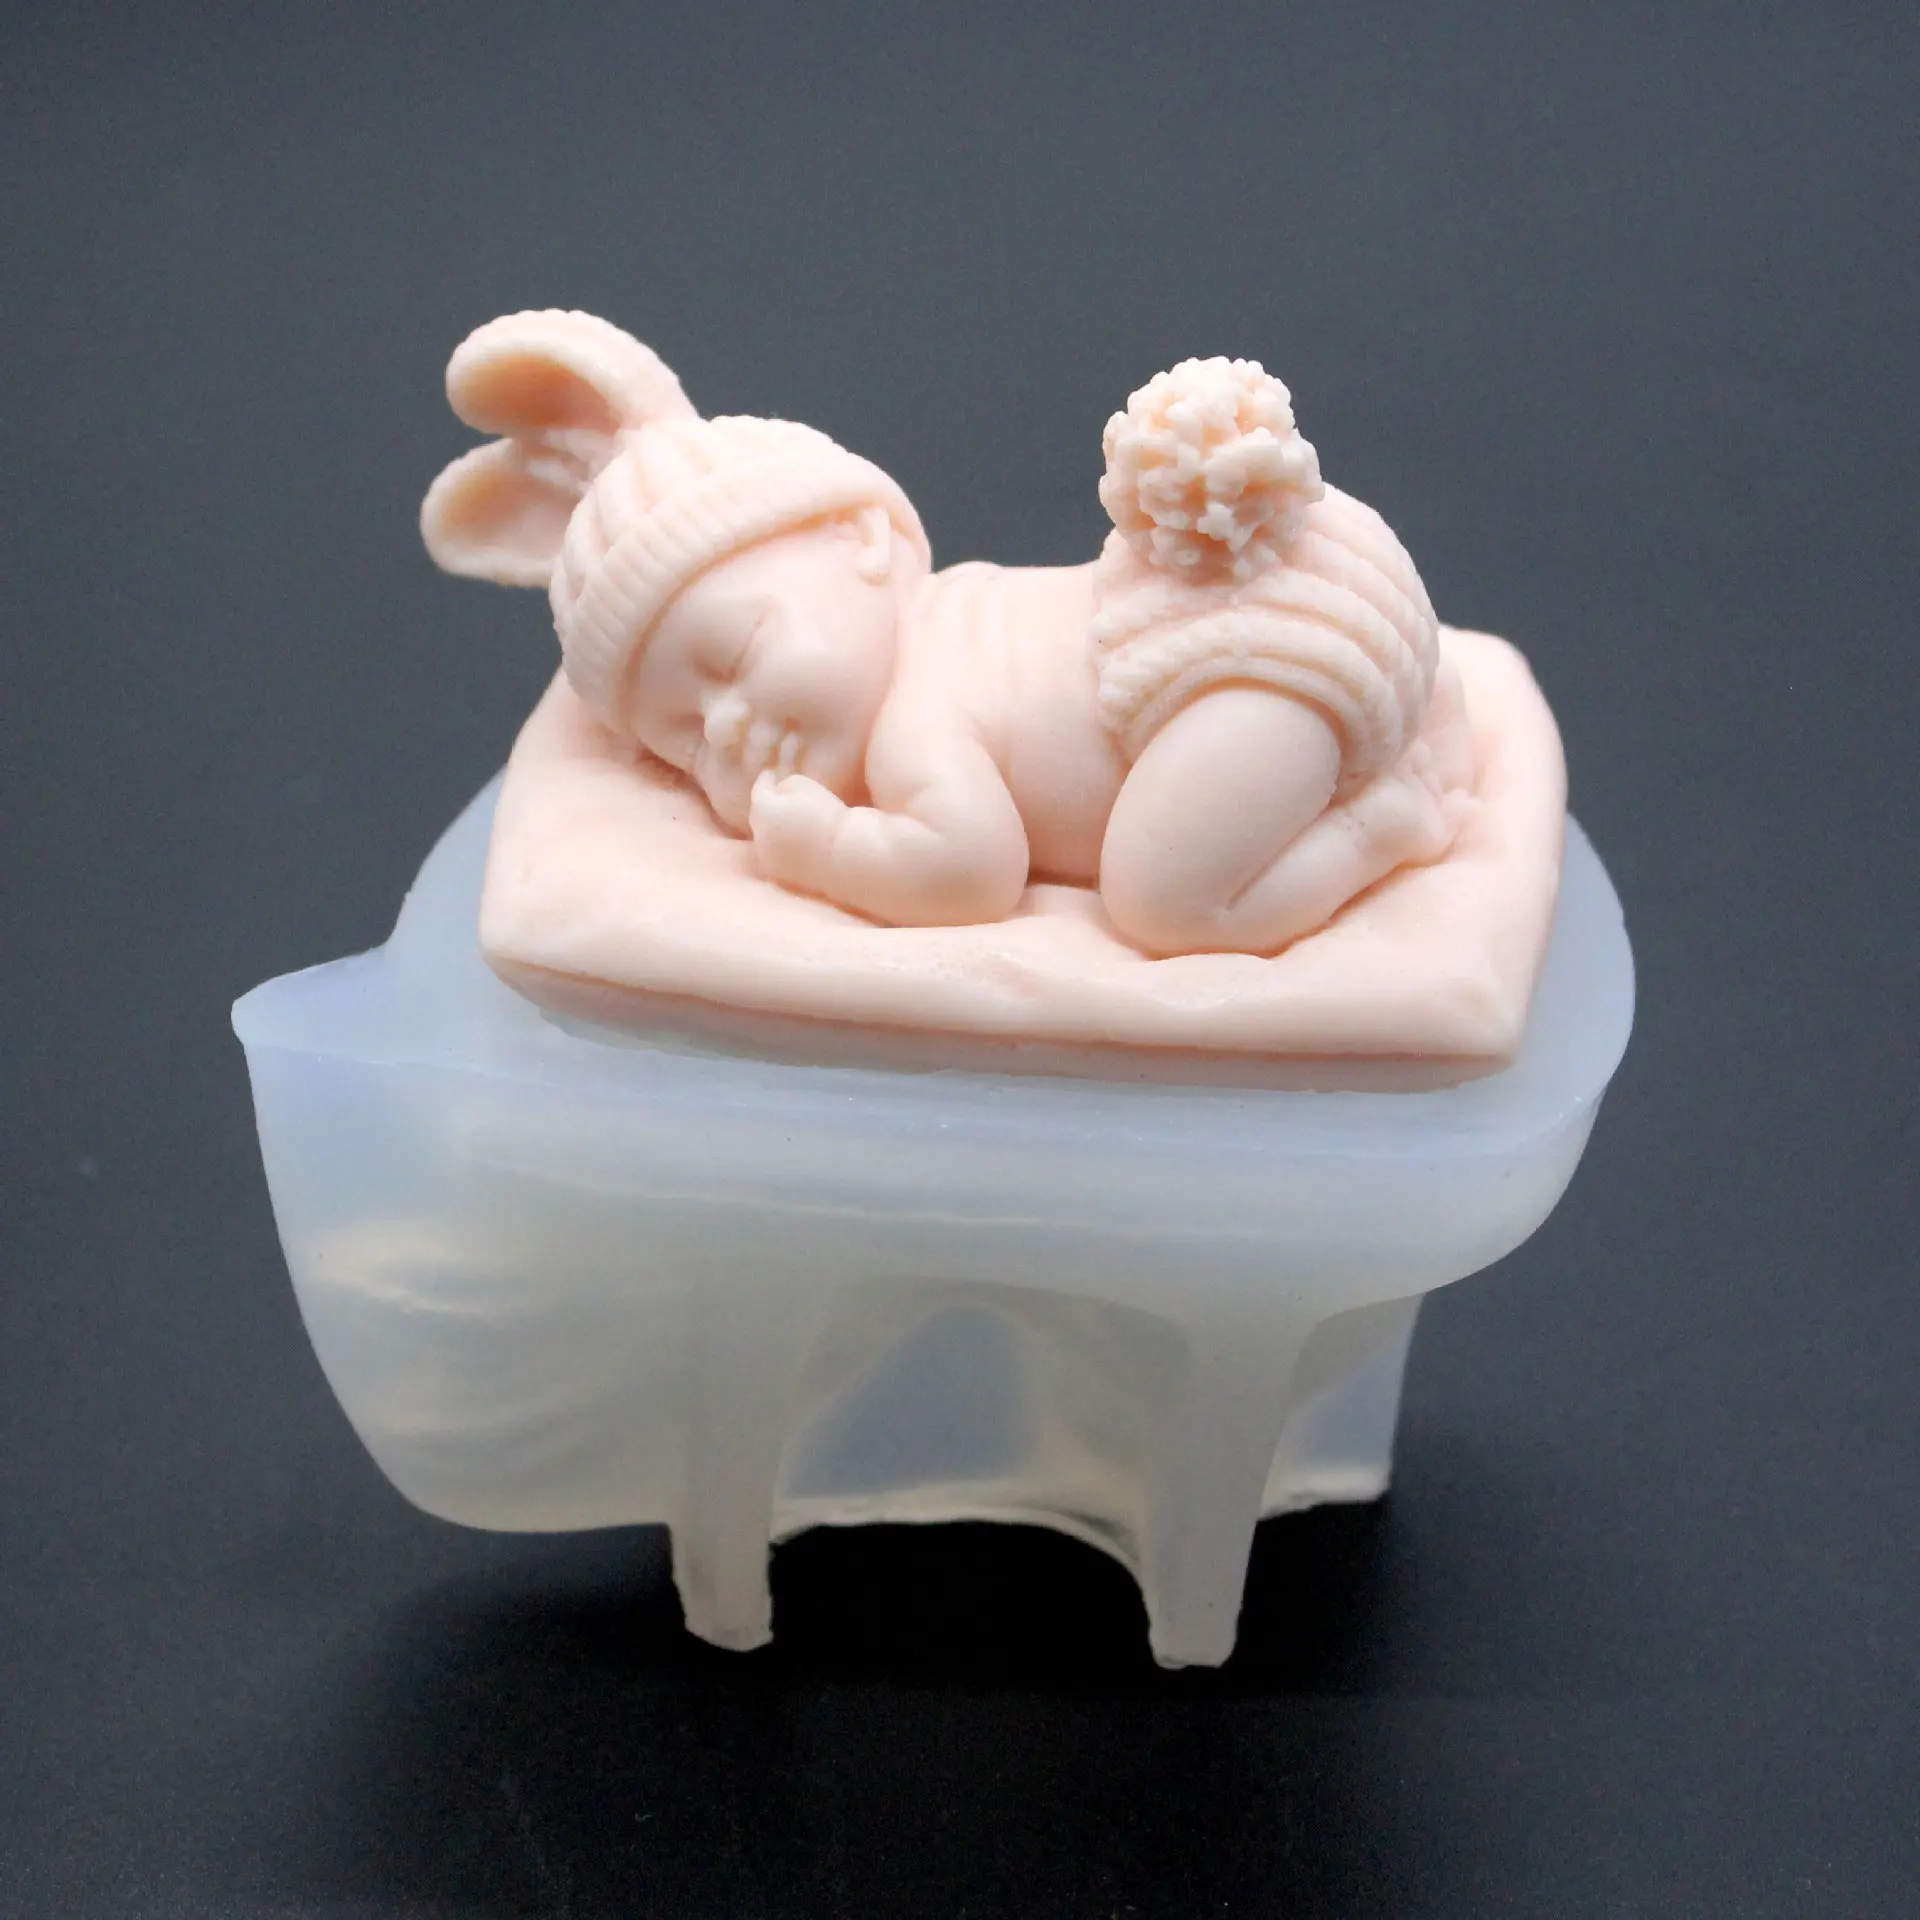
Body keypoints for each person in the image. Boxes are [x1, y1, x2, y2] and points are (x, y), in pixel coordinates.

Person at [424, 311, 1473, 956]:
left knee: (1166, 905)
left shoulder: (913, 725)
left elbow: (971, 872)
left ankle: (1379, 827)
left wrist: (827, 850)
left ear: (863, 538)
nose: (731, 726)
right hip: (1266, 621)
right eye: (688, 742)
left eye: (733, 659)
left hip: (1245, 677)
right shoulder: (965, 606)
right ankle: (1416, 710)